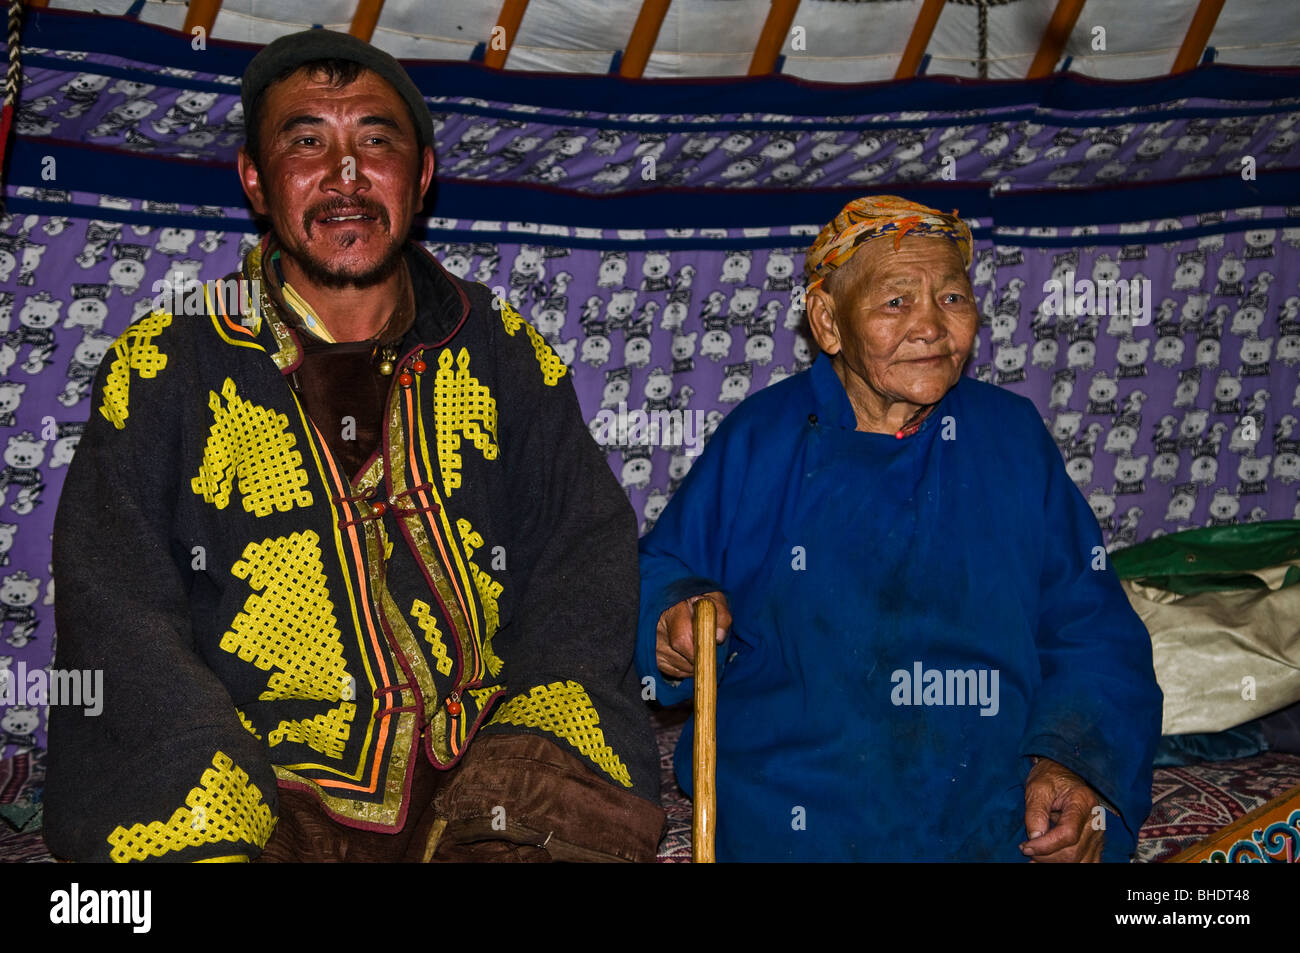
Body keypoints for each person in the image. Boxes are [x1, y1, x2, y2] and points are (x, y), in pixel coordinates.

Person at [45, 30, 663, 863]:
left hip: (483, 781)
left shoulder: (505, 349)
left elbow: (583, 562)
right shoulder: (164, 363)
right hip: (261, 790)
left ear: (423, 176)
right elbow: (118, 613)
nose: (346, 175)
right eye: (308, 142)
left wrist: (518, 764)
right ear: (257, 182)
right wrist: (212, 787)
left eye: (376, 140)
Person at [637, 195, 1163, 862]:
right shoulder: (762, 441)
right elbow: (661, 569)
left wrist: (1075, 765)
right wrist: (672, 617)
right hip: (799, 803)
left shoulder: (1010, 439)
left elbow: (1091, 628)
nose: (931, 328)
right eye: (897, 302)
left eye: (952, 299)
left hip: (987, 803)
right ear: (828, 322)